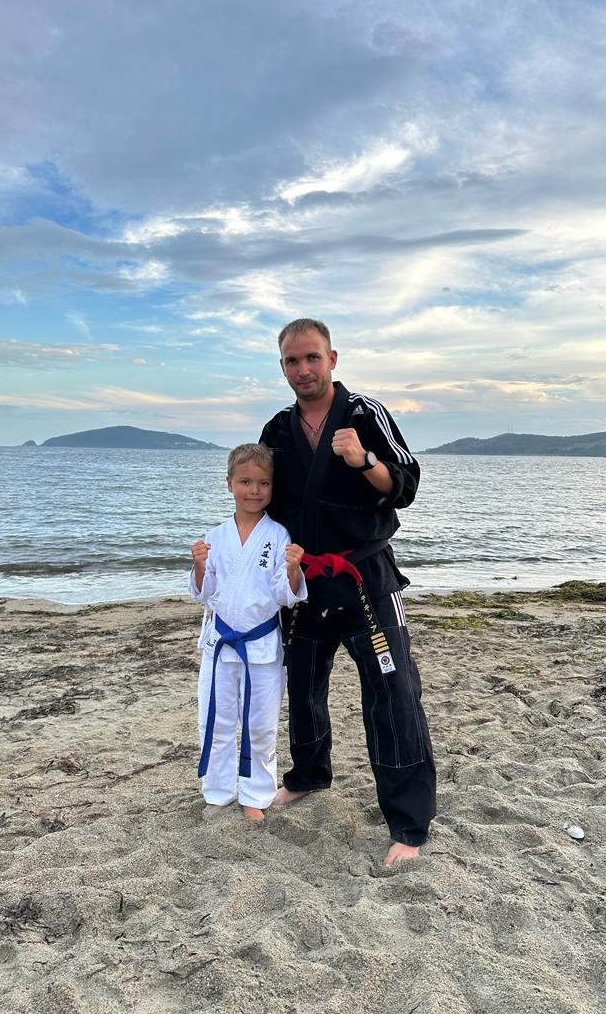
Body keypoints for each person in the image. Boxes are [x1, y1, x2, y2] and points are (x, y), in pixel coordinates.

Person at [259, 318, 436, 866]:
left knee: (393, 692)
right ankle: (309, 775)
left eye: (312, 357)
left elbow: (405, 486)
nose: (303, 369)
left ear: (332, 359)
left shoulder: (365, 413)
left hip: (366, 579)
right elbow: (259, 503)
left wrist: (364, 461)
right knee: (303, 684)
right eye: (292, 361)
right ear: (282, 367)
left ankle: (408, 823)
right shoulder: (277, 430)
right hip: (305, 582)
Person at [189, 443, 307, 822]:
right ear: (229, 484)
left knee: (260, 724)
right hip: (221, 644)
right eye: (245, 482)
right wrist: (200, 566)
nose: (254, 490)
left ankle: (255, 794)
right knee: (217, 721)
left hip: (262, 646)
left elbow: (284, 595)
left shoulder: (278, 535)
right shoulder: (216, 536)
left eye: (263, 483)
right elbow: (204, 593)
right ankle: (219, 791)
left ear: (272, 487)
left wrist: (293, 570)